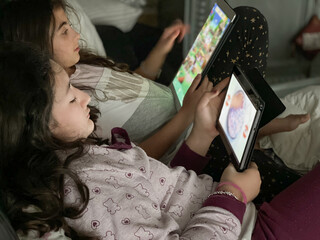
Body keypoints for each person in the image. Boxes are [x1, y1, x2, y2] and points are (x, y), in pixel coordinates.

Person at [1, 41, 320, 240]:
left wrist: (199, 137)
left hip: (240, 216)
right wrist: (232, 194)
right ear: (36, 130)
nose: (84, 97)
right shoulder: (87, 194)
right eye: (70, 99)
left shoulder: (73, 158)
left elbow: (153, 189)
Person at [0, 0, 310, 202]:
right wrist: (188, 113)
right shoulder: (67, 113)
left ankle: (252, 123)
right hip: (184, 140)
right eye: (65, 31)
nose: (76, 35)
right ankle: (250, 129)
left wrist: (161, 50)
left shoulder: (79, 66)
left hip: (179, 97)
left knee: (245, 20)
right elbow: (131, 160)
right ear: (38, 48)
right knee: (287, 185)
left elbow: (133, 80)